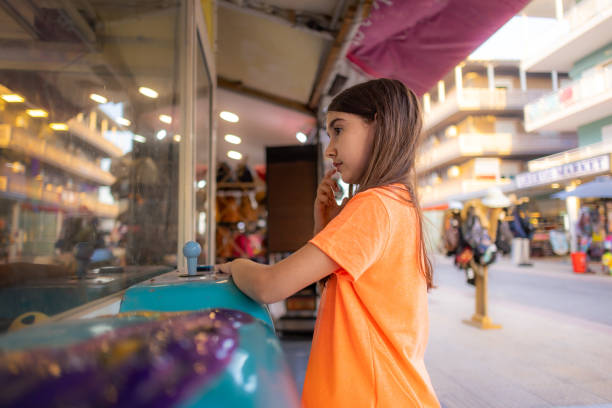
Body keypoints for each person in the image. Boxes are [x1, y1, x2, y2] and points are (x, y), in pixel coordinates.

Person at [217, 79, 440, 407]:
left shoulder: (374, 204)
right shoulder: (399, 202)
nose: (329, 149)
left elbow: (271, 285)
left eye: (339, 130)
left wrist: (236, 265)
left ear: (379, 125)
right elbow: (346, 297)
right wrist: (328, 224)